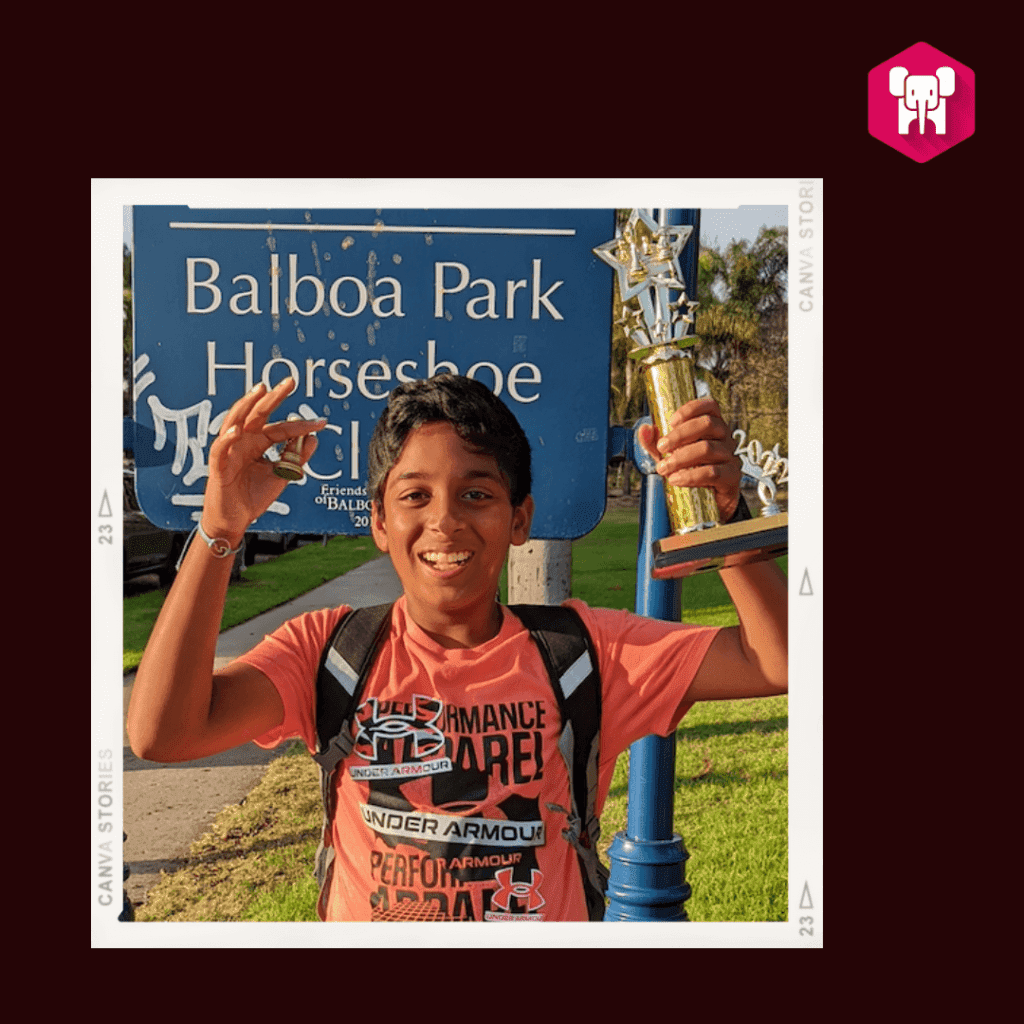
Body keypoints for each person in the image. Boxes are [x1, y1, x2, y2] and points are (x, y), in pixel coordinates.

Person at [127, 372, 787, 922]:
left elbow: (778, 660)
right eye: (415, 496)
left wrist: (727, 521)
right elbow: (161, 733)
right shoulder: (329, 651)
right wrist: (219, 529)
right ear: (380, 522)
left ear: (519, 518)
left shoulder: (585, 653)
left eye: (477, 493)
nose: (444, 520)